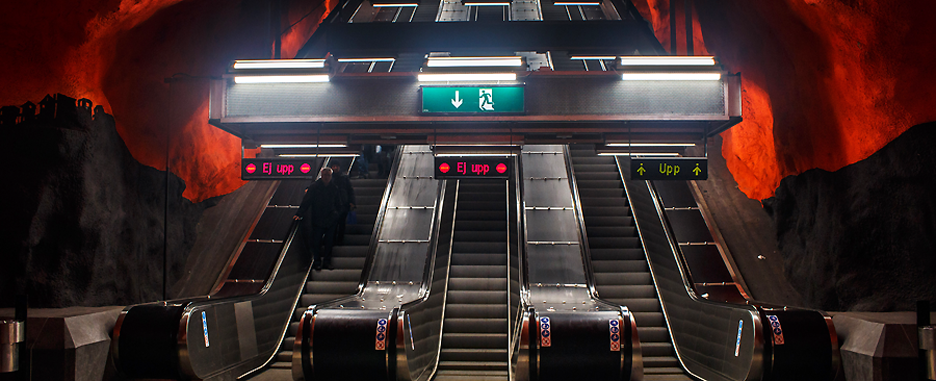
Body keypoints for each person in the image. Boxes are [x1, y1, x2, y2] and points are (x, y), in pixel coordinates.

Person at [294, 167, 342, 270]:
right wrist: (299, 213)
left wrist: (337, 214)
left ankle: (326, 262)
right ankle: (317, 262)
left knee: (329, 242)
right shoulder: (314, 187)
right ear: (321, 175)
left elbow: (338, 203)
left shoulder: (334, 188)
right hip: (318, 218)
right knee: (317, 242)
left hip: (330, 218)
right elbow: (307, 201)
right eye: (325, 175)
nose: (326, 177)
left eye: (328, 175)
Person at [329, 162, 356, 245]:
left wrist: (352, 202)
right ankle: (333, 240)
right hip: (333, 204)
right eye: (333, 166)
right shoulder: (329, 178)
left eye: (336, 166)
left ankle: (339, 240)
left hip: (343, 203)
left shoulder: (344, 177)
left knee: (341, 223)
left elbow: (350, 190)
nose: (335, 168)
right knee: (334, 223)